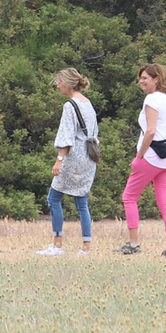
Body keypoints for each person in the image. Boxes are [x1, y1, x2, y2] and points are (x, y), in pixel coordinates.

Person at [119, 61, 166, 258]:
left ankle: (134, 243)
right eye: (141, 78)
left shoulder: (152, 100)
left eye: (145, 78)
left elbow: (151, 131)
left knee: (129, 197)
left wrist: (139, 156)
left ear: (156, 79)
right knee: (165, 202)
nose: (141, 81)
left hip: (152, 156)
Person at [38, 67, 98, 256]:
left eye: (59, 82)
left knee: (53, 198)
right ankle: (86, 247)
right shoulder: (87, 103)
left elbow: (66, 136)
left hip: (73, 158)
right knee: (82, 202)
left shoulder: (69, 105)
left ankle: (57, 245)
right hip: (89, 157)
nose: (58, 86)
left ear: (67, 83)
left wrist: (59, 160)